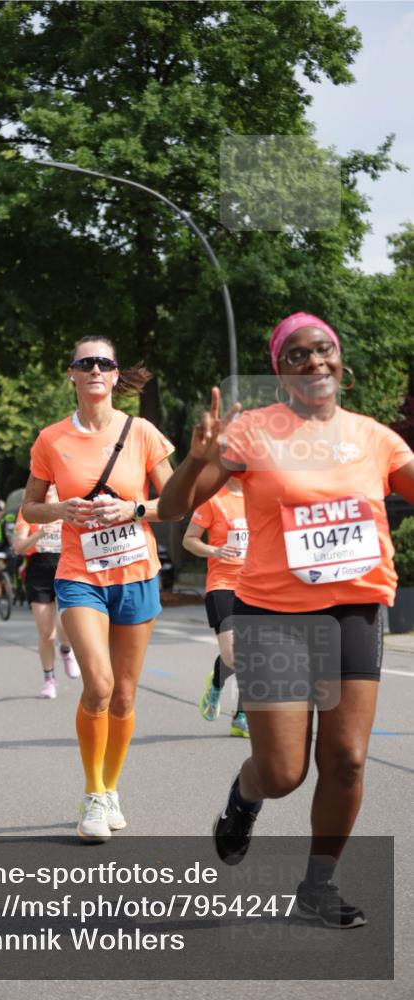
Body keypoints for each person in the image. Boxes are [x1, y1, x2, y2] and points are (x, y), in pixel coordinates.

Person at [158, 311, 414, 928]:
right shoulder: (252, 431)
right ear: (281, 371)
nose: (313, 361)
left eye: (323, 349)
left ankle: (318, 886)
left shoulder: (374, 437)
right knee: (283, 772)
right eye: (297, 354)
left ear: (341, 362)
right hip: (272, 614)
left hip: (355, 608)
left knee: (349, 758)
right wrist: (195, 461)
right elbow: (171, 507)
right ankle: (244, 799)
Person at [24, 336, 175, 842]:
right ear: (71, 374)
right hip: (79, 573)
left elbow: (174, 503)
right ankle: (91, 794)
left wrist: (132, 509)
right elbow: (29, 509)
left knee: (126, 696)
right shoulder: (51, 440)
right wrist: (59, 510)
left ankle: (111, 788)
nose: (94, 369)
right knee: (101, 685)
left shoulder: (143, 433)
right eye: (84, 362)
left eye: (103, 363)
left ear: (115, 376)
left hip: (136, 571)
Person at [183, 477, 250, 737]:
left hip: (256, 586)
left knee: (253, 653)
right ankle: (216, 682)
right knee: (234, 655)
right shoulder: (214, 499)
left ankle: (241, 715)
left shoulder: (263, 497)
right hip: (223, 585)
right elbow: (189, 540)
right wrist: (214, 551)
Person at [14, 485, 81, 699]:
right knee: (45, 632)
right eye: (47, 486)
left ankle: (67, 649)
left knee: (66, 623)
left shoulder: (70, 506)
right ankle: (49, 679)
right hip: (39, 570)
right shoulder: (30, 511)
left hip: (66, 567)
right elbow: (19, 547)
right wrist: (41, 532)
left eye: (55, 486)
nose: (51, 490)